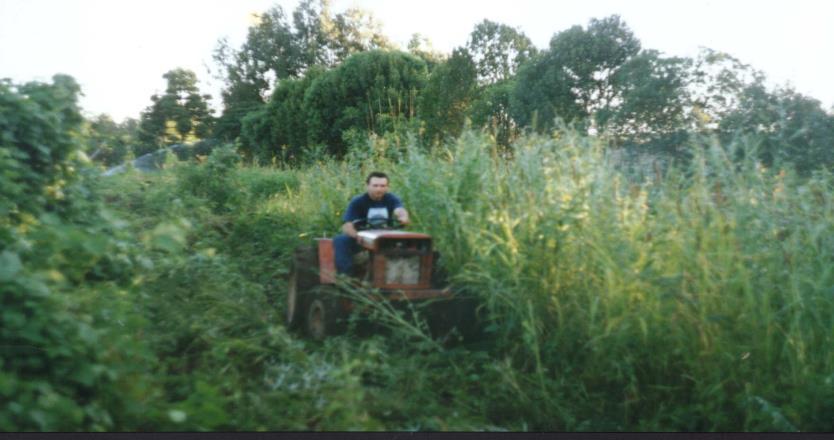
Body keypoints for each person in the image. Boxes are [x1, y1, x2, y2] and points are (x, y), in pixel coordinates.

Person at [333, 171, 410, 276]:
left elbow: (399, 210)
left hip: (386, 236)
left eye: (382, 186)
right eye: (375, 185)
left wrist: (403, 217)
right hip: (362, 237)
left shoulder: (391, 199)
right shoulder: (358, 201)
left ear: (387, 187)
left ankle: (403, 276)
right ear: (367, 186)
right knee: (340, 241)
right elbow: (347, 225)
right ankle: (345, 277)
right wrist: (356, 236)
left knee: (411, 242)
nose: (379, 189)